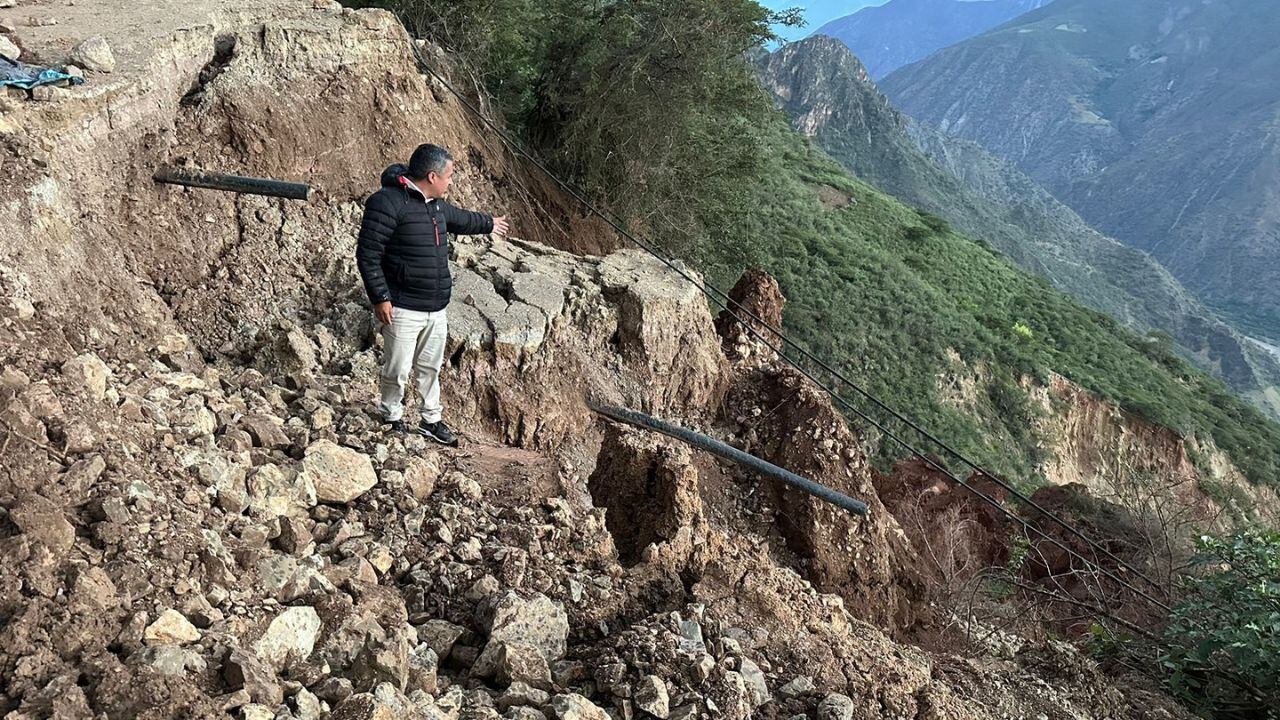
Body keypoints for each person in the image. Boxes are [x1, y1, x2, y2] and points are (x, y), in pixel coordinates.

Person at [355, 143, 509, 446]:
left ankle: (431, 420)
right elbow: (367, 254)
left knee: (429, 367)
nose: (451, 182)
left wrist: (490, 223)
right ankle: (391, 415)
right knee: (397, 368)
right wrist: (380, 298)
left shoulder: (436, 205)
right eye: (449, 176)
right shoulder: (387, 203)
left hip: (436, 307)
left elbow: (463, 219)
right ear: (432, 176)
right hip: (402, 306)